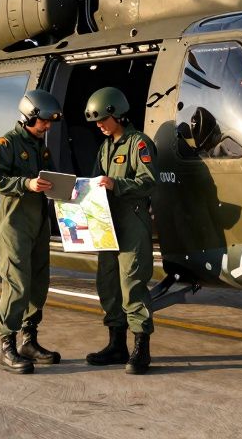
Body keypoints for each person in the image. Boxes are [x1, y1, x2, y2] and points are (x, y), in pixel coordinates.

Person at [0, 89, 64, 375]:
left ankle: (29, 341)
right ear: (30, 116)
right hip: (15, 225)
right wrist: (26, 184)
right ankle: (7, 347)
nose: (48, 126)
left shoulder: (40, 147)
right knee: (17, 283)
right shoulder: (7, 144)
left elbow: (52, 177)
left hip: (38, 225)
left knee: (38, 283)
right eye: (44, 121)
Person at [84, 87, 157, 375]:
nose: (99, 125)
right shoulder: (105, 147)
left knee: (132, 283)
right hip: (106, 222)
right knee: (109, 283)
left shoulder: (139, 144)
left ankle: (142, 349)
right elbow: (94, 181)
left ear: (117, 114)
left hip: (131, 221)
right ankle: (117, 345)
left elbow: (149, 181)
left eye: (103, 119)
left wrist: (118, 185)